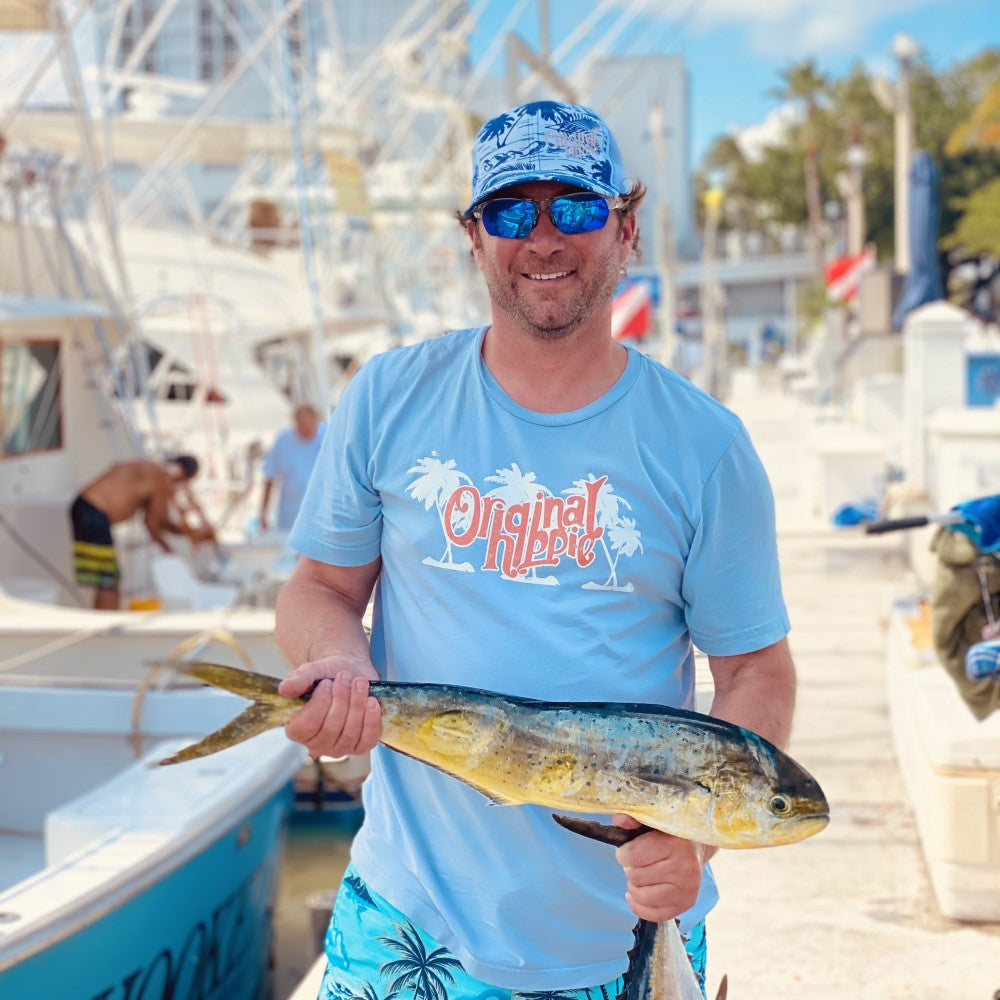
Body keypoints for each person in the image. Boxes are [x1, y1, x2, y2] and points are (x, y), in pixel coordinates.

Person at [274, 100, 796, 1000]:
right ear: (475, 238)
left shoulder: (706, 445)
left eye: (578, 209)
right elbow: (319, 587)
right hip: (407, 919)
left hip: (628, 934)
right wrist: (340, 674)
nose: (544, 237)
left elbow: (756, 668)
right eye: (513, 212)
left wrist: (698, 836)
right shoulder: (390, 396)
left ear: (625, 229)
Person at [70, 455, 216, 610]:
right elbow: (155, 524)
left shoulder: (152, 469)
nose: (178, 487)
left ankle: (105, 622)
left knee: (107, 580)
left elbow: (155, 521)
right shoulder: (161, 476)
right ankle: (104, 627)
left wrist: (190, 534)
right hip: (94, 512)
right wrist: (172, 552)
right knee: (107, 581)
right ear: (183, 475)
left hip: (85, 508)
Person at [258, 403, 326, 534]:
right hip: (289, 517)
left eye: (309, 426)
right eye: (302, 426)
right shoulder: (283, 440)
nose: (305, 430)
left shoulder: (326, 436)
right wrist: (263, 514)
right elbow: (269, 477)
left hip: (320, 516)